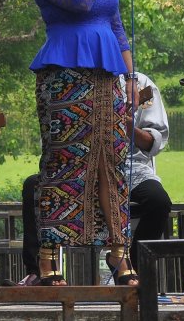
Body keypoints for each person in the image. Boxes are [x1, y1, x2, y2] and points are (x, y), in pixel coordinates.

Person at [28, 0, 135, 287]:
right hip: (65, 78)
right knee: (65, 163)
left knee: (112, 164)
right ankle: (48, 257)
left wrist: (131, 78)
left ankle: (120, 254)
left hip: (108, 80)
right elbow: (80, 1)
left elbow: (116, 25)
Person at [18, 71, 171, 286]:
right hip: (75, 167)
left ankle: (133, 266)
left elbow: (154, 142)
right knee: (34, 186)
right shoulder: (71, 77)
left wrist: (127, 128)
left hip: (130, 166)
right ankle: (38, 271)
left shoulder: (140, 83)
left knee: (158, 201)